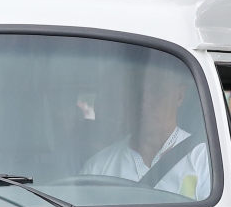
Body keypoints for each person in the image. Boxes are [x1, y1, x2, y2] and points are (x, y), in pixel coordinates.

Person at [82, 60, 210, 198]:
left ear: (179, 96)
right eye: (138, 92)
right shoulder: (97, 168)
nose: (144, 103)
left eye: (157, 91)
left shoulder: (204, 159)